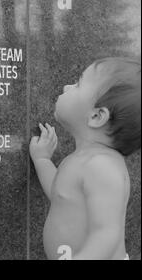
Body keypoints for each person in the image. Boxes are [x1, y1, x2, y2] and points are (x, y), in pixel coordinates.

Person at [30, 57, 141, 260]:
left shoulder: (102, 167)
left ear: (97, 117)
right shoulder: (82, 160)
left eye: (78, 84)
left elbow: (106, 233)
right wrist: (42, 160)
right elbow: (60, 195)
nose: (66, 87)